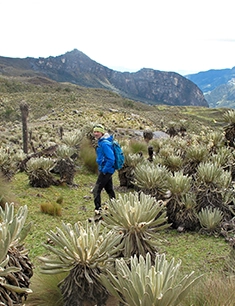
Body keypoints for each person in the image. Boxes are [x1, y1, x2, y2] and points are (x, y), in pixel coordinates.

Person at [92, 124, 116, 216]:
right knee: (109, 189)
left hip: (106, 171)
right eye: (94, 131)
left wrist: (104, 170)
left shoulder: (105, 143)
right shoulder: (102, 142)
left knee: (96, 190)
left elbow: (111, 159)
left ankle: (98, 210)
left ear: (102, 132)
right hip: (107, 170)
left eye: (98, 131)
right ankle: (115, 208)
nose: (96, 133)